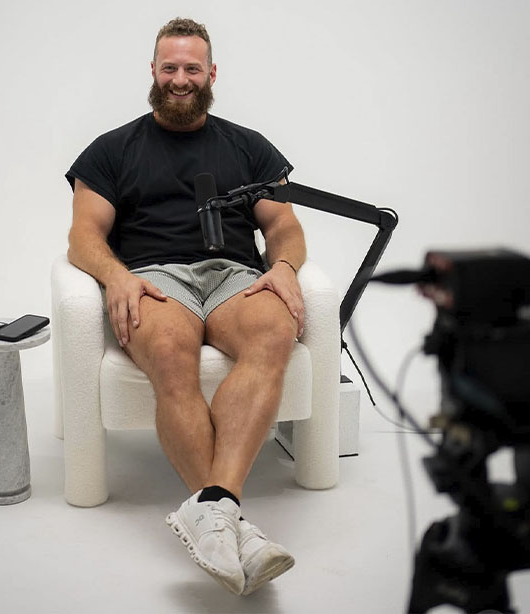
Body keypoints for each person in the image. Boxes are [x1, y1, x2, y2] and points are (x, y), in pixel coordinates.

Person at [65, 17, 306, 596]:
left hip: (233, 275)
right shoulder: (111, 149)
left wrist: (283, 267)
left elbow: (284, 226)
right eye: (169, 67)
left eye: (191, 68)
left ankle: (213, 511)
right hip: (153, 279)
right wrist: (115, 277)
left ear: (212, 73)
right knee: (172, 354)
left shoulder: (248, 146)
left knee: (274, 333)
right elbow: (82, 236)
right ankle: (234, 524)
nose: (180, 79)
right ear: (152, 71)